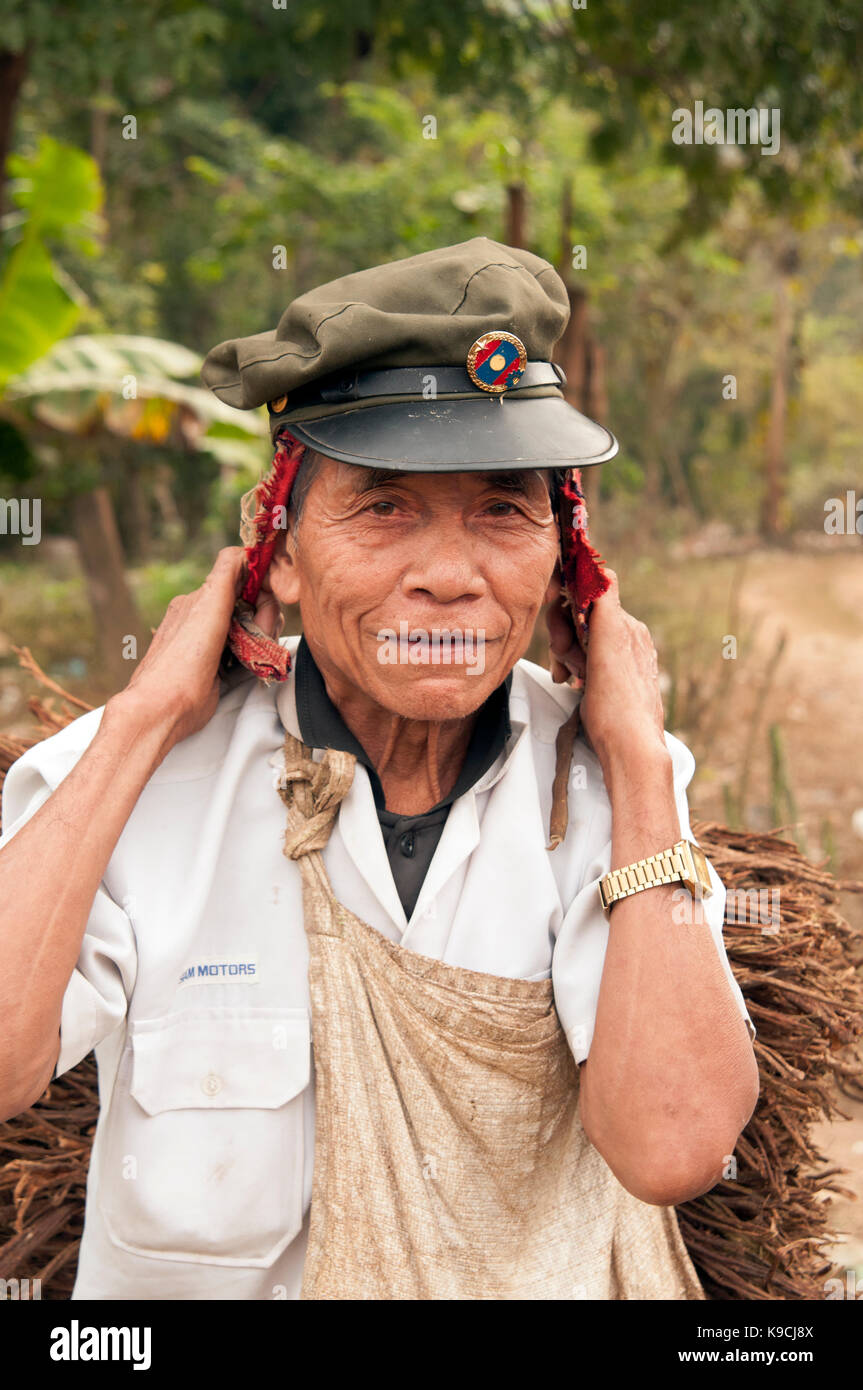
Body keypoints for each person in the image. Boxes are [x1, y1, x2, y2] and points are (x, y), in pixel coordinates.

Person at [0, 237, 758, 1300]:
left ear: (564, 565)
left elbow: (671, 1146)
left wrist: (637, 765)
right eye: (383, 506)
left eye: (502, 509)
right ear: (283, 552)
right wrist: (138, 720)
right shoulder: (130, 778)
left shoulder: (612, 795)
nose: (447, 576)